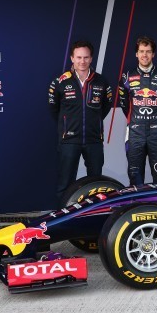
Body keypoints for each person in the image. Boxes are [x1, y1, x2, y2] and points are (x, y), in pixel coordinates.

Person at [48, 40, 113, 204]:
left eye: (85, 57)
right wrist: (68, 125)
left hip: (94, 140)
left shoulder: (101, 81)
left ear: (91, 58)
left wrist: (93, 123)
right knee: (65, 183)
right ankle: (63, 216)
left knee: (96, 183)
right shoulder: (60, 82)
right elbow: (54, 109)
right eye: (78, 57)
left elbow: (106, 107)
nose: (82, 61)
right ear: (72, 58)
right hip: (69, 140)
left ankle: (94, 214)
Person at [118, 36, 157, 185]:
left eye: (148, 51)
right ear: (136, 54)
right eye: (142, 51)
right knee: (135, 178)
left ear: (153, 54)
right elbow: (125, 105)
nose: (145, 55)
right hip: (134, 133)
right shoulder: (127, 77)